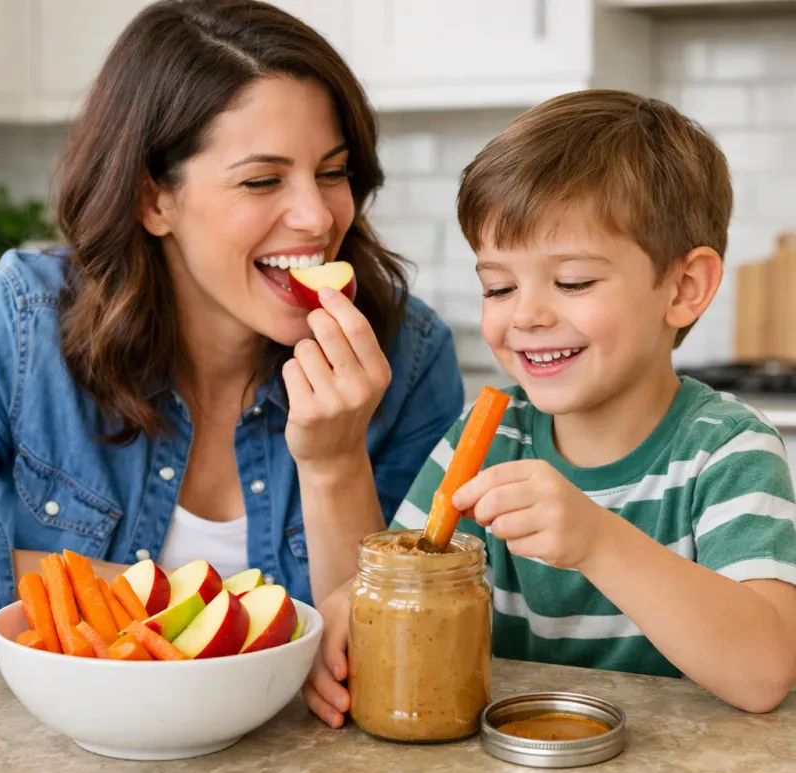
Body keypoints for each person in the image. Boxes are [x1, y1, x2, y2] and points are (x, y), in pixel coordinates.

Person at [303, 89, 796, 728]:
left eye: (573, 282)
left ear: (684, 288)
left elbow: (763, 673)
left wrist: (597, 541)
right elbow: (405, 579)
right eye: (498, 287)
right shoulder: (485, 439)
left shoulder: (727, 452)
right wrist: (349, 613)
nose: (527, 315)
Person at [0, 0, 463, 611]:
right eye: (262, 180)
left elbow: (400, 647)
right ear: (153, 201)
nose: (318, 217)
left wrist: (336, 463)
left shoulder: (410, 353)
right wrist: (210, 610)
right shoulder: (23, 320)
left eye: (334, 171)